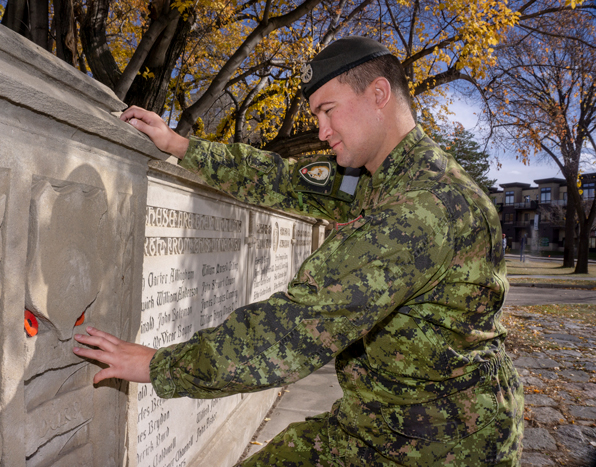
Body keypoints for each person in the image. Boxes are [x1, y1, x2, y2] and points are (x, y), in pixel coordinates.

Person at [73, 36, 524, 466]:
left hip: (440, 444)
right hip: (386, 422)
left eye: (328, 110)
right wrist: (181, 146)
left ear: (378, 94)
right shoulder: (383, 175)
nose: (322, 131)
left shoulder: (421, 208)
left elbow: (294, 328)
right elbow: (285, 180)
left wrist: (159, 365)